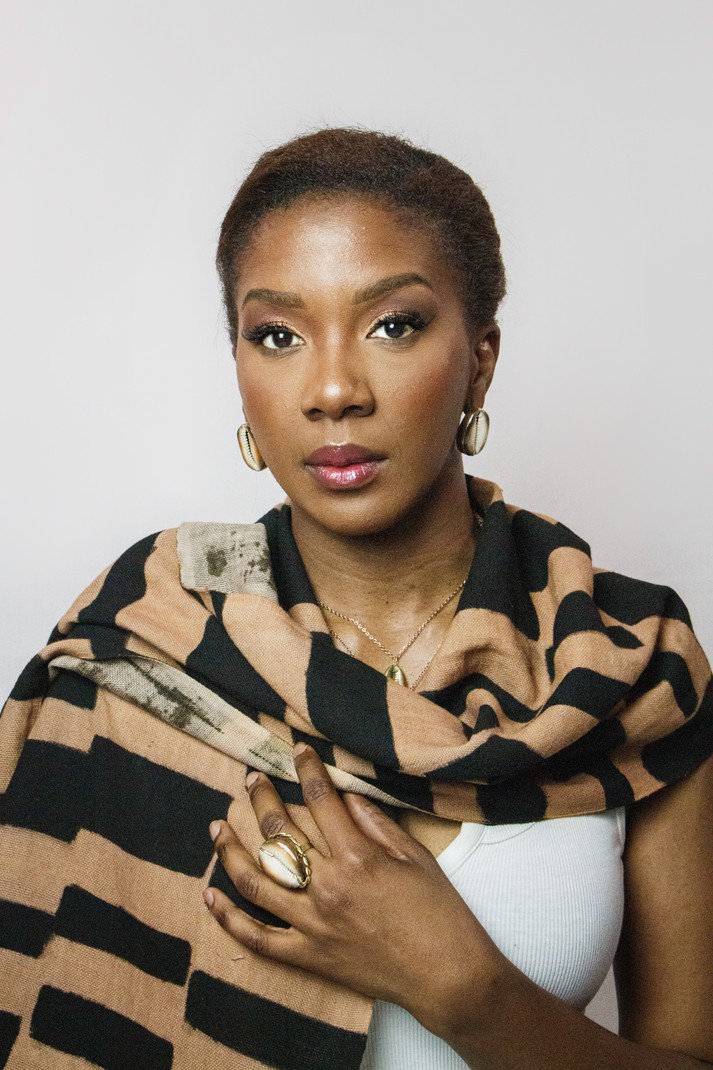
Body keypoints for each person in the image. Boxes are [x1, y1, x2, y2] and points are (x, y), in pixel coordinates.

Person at [0, 128, 711, 1070]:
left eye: (392, 325)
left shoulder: (627, 659)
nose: (332, 390)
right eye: (278, 336)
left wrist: (464, 989)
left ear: (480, 359)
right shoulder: (151, 629)